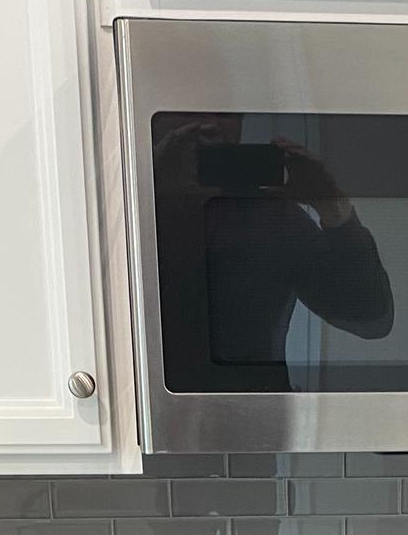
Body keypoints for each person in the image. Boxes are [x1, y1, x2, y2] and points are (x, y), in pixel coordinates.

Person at [154, 116, 394, 386]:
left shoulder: (270, 216)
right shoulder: (123, 209)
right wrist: (145, 185)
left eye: (227, 114)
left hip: (254, 417)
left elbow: (371, 316)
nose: (210, 126)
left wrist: (330, 202)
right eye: (192, 114)